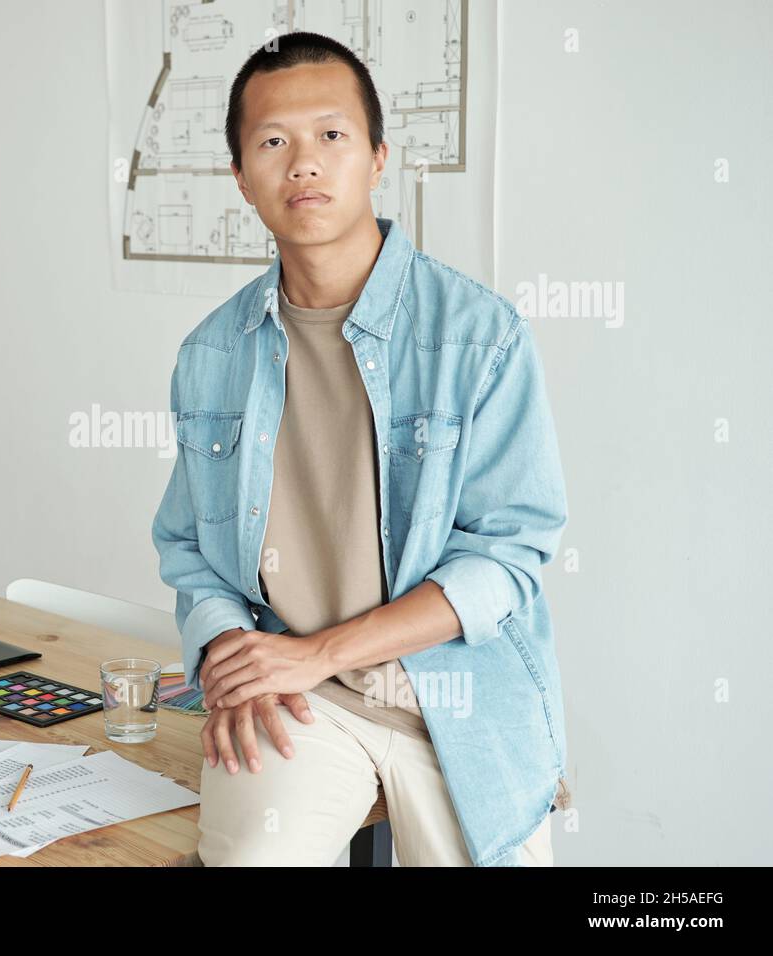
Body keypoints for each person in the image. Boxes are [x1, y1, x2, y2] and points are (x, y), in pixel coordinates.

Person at [151, 31, 572, 866]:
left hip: (459, 697)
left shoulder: (479, 336)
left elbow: (509, 557)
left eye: (331, 136)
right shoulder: (212, 353)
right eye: (273, 142)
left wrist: (317, 651)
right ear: (241, 178)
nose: (303, 163)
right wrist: (233, 659)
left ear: (378, 157)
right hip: (304, 707)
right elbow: (188, 547)